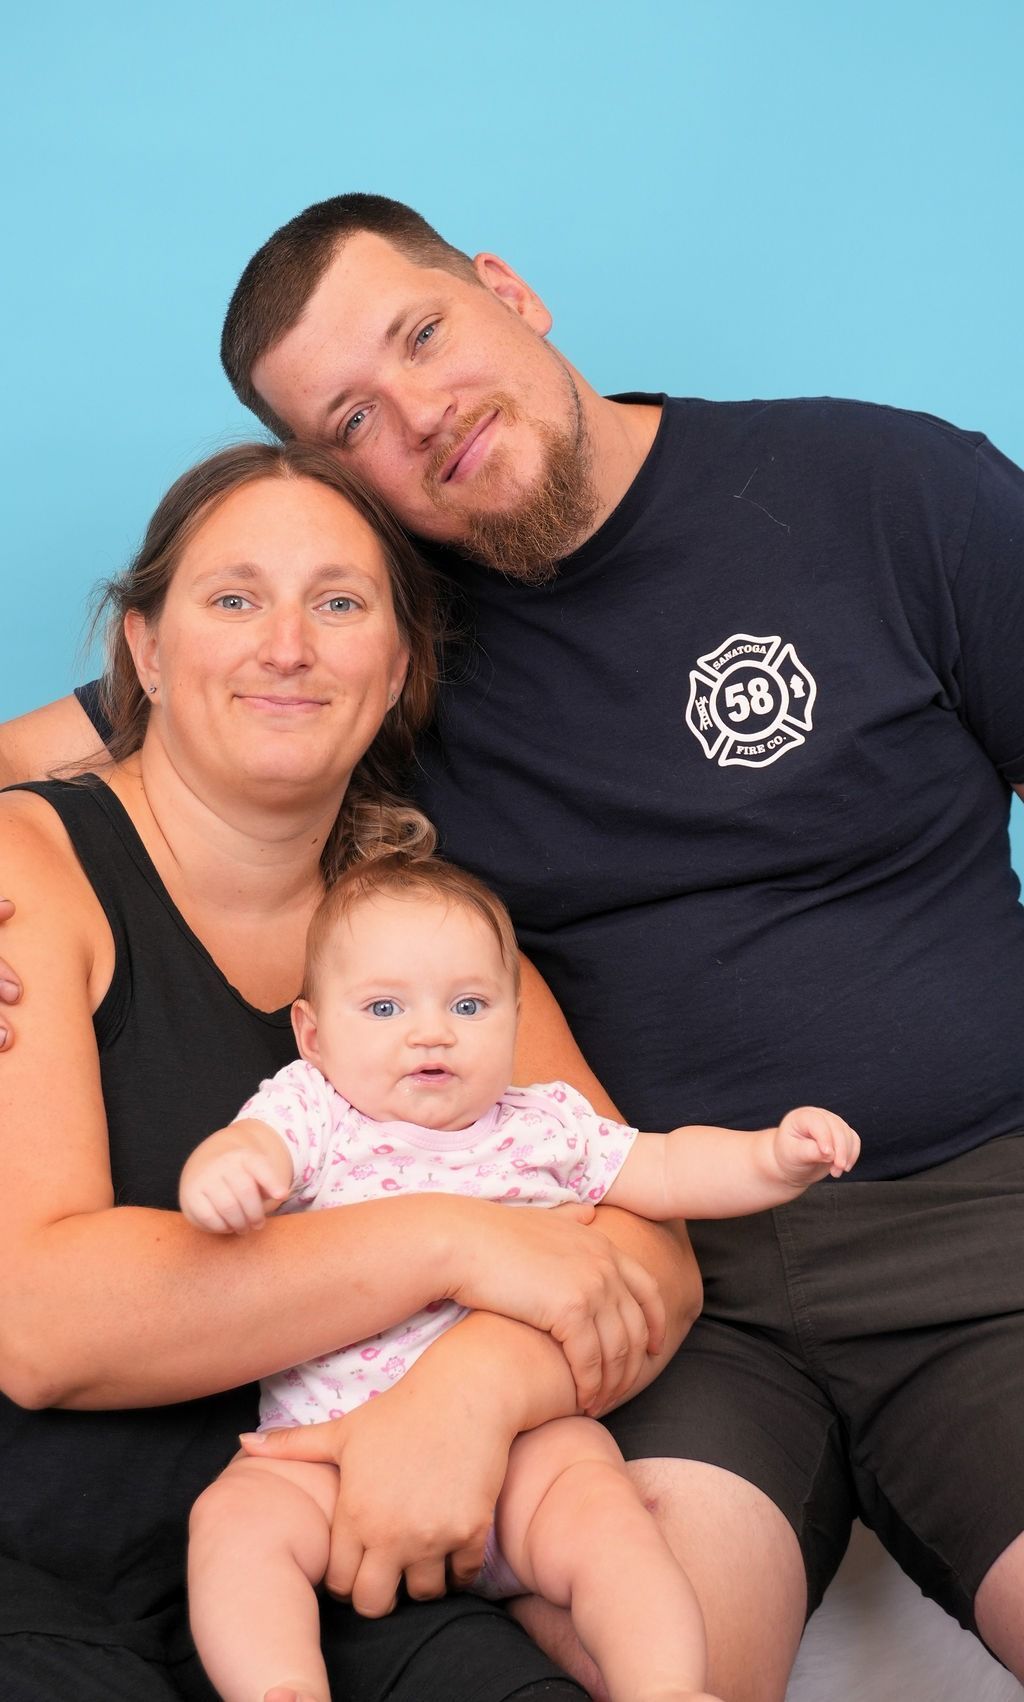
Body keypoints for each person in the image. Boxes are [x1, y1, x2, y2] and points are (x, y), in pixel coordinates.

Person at [2, 191, 1024, 1699]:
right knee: (633, 1653)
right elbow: (132, 729)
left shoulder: (882, 487)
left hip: (981, 1229)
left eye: (423, 334)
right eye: (351, 417)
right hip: (658, 1283)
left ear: (508, 290)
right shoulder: (367, 643)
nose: (418, 415)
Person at [0, 438, 698, 1702]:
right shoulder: (26, 876)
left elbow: (652, 1259)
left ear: (395, 669)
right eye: (234, 598)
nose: (288, 645)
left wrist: (479, 1389)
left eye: (339, 603)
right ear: (146, 655)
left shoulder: (437, 953)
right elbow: (42, 1323)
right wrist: (451, 1242)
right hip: (38, 1579)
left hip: (355, 1561)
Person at [179, 848, 859, 1702]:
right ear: (314, 1035)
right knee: (234, 1521)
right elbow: (250, 1151)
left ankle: (667, 1685)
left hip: (521, 1447)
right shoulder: (312, 1111)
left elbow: (668, 1168)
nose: (431, 1032)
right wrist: (225, 1174)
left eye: (468, 1005)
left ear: (513, 1015)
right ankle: (281, 1688)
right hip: (327, 1448)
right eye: (384, 1007)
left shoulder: (544, 1126)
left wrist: (772, 1157)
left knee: (612, 1520)